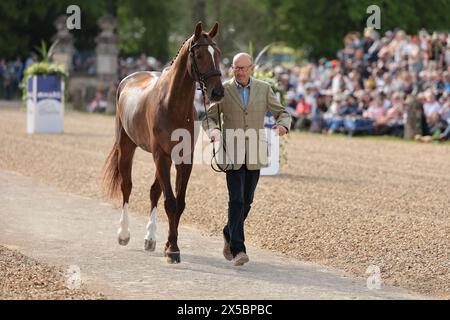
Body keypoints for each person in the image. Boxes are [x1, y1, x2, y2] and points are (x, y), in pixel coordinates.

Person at [202, 53, 291, 266]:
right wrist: (213, 131)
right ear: (232, 68)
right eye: (236, 68)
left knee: (248, 201)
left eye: (243, 68)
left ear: (251, 68)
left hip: (254, 152)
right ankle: (238, 249)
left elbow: (283, 112)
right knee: (236, 199)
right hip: (231, 152)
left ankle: (228, 232)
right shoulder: (223, 89)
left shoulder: (264, 89)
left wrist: (282, 125)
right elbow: (209, 117)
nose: (239, 71)